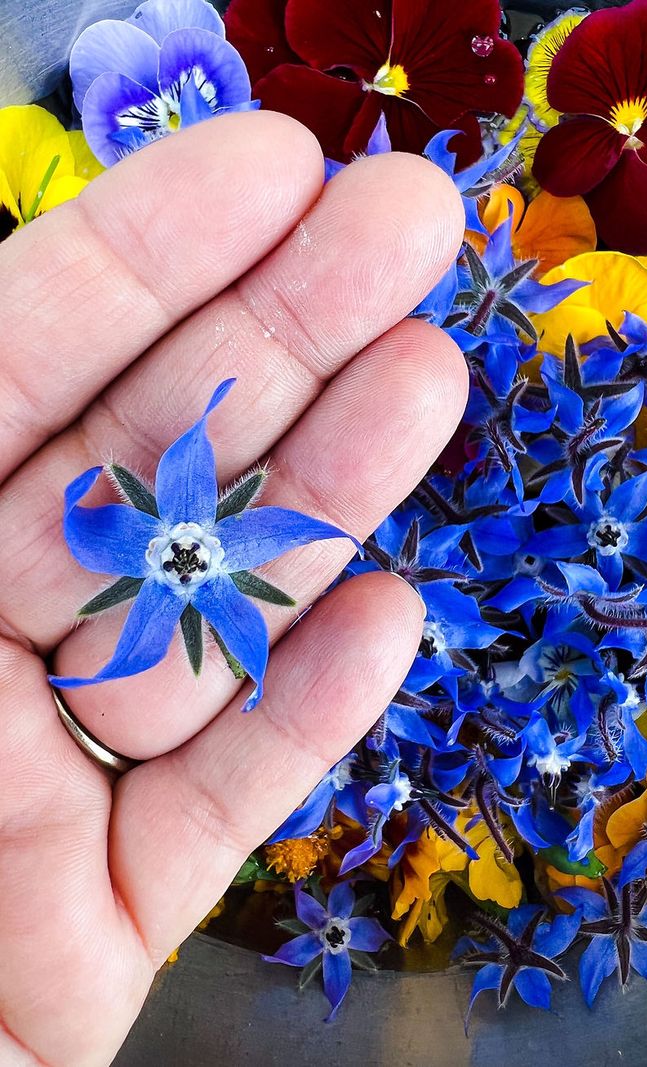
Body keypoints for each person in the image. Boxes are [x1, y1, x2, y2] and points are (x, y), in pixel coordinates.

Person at [0, 110, 467, 1066]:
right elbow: (144, 503)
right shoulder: (167, 549)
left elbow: (261, 559)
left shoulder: (220, 564)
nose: (182, 560)